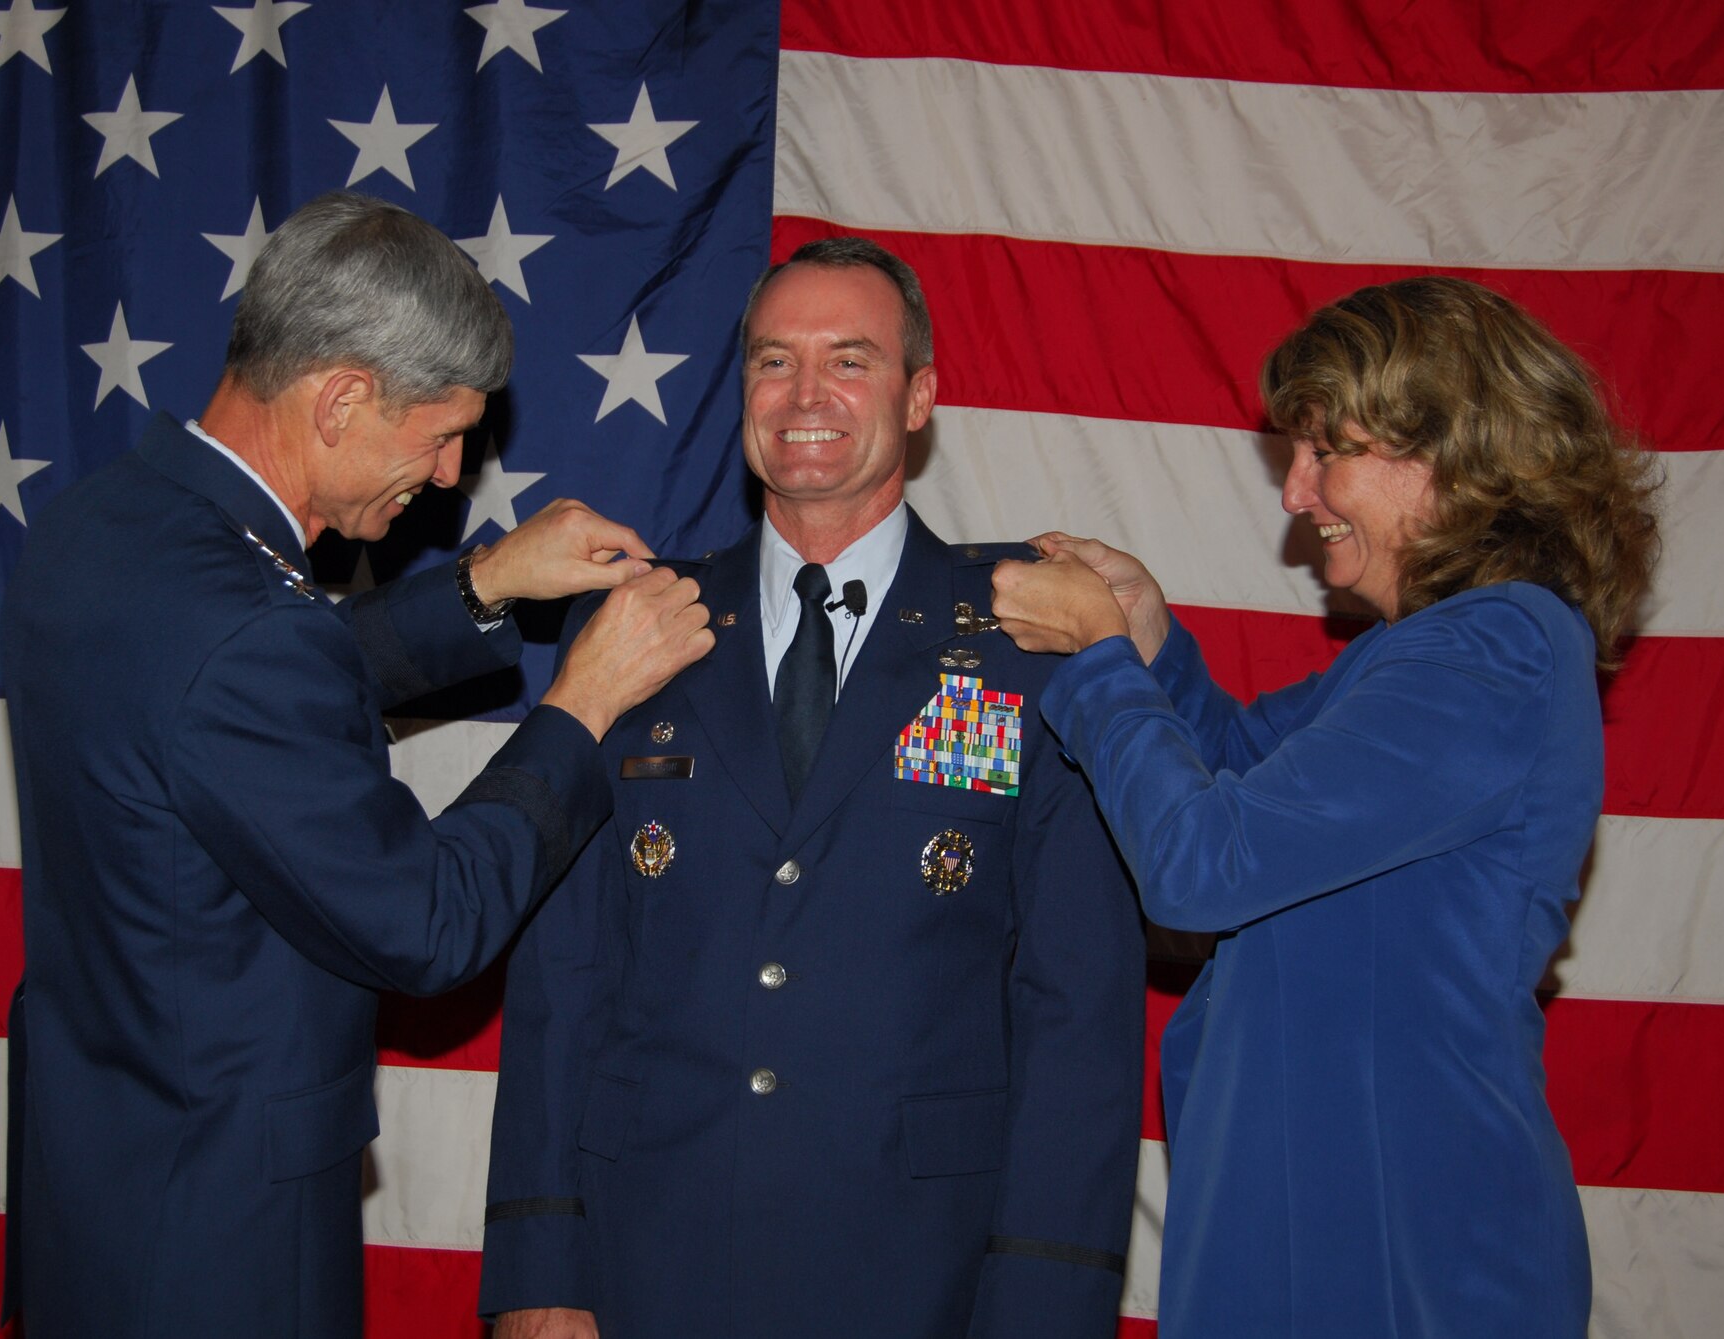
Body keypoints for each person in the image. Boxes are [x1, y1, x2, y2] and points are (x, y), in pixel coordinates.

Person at [0, 191, 712, 1339]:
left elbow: (229, 705)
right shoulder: (243, 629)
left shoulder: (100, 527)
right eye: (438, 436)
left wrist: (480, 585)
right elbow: (427, 922)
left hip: (105, 1187)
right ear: (338, 398)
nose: (444, 479)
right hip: (219, 1242)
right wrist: (581, 707)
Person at [480, 238, 1144, 1339]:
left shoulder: (1030, 637)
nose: (804, 396)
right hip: (651, 1257)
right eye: (772, 360)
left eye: (849, 359)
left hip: (919, 1272)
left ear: (919, 393)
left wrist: (1045, 1299)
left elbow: (1075, 1005)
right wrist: (538, 1267)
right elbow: (565, 975)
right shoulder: (641, 629)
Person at [989, 275, 1660, 1337]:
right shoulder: (1417, 658)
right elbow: (1236, 767)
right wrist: (1146, 634)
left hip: (1400, 1254)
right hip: (1318, 1231)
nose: (1296, 492)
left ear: (1447, 453)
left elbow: (1202, 864)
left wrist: (1098, 659)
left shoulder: (1493, 649)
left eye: (1323, 449)